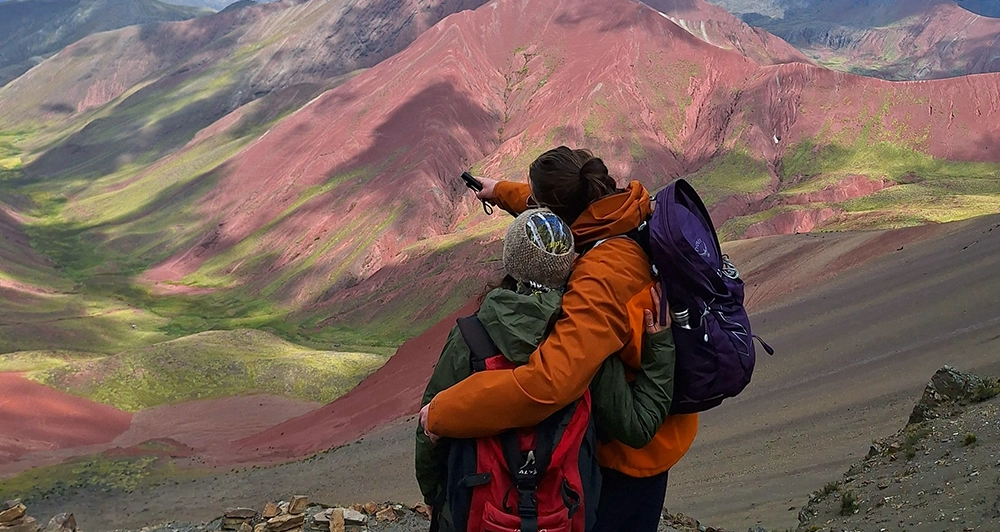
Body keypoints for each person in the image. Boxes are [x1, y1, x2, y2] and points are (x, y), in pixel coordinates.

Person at [421, 147, 699, 531]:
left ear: (558, 212)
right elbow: (558, 208)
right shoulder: (618, 210)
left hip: (631, 454)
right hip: (635, 428)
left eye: (537, 201)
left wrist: (441, 414)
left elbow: (548, 384)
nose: (530, 203)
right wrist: (499, 191)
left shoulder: (599, 279)